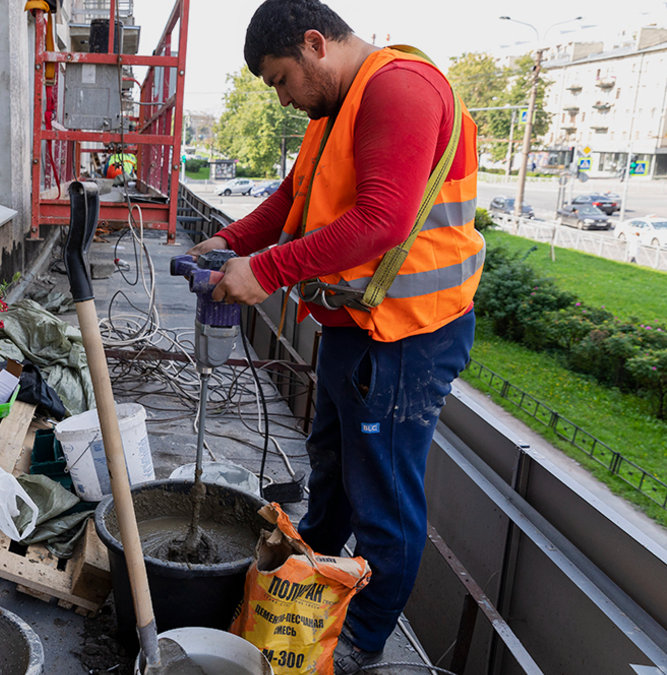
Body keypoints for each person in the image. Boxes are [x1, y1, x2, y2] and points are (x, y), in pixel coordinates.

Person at [187, 1, 483, 672]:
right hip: (359, 332)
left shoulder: (399, 89)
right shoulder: (333, 116)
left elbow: (381, 220)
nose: (283, 98)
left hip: (408, 338)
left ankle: (361, 643)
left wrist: (262, 270)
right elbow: (290, 201)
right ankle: (305, 585)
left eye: (281, 80)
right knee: (333, 472)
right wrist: (227, 242)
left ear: (315, 44)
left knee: (383, 499)